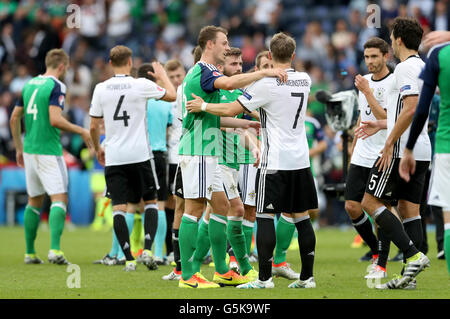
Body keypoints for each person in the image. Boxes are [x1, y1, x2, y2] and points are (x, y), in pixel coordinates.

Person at [187, 32, 318, 289]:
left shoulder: (266, 85)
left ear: (269, 56)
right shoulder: (305, 79)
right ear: (293, 56)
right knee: (301, 217)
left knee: (265, 215)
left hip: (275, 160)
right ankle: (307, 277)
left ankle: (264, 279)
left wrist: (203, 107)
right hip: (301, 159)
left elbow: (229, 109)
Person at [177, 25, 287, 289]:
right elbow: (227, 83)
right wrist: (265, 72)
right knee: (193, 209)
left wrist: (245, 125)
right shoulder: (204, 71)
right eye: (224, 43)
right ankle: (187, 275)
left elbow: (219, 115)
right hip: (198, 149)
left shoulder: (208, 72)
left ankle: (222, 270)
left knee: (222, 206)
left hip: (209, 150)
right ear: (210, 45)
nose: (227, 47)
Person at [356, 18, 431, 289]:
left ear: (398, 39)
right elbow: (408, 110)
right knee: (409, 210)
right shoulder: (423, 66)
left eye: (390, 35)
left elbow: (410, 108)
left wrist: (388, 143)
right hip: (421, 148)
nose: (390, 38)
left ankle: (414, 254)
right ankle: (409, 278)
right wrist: (380, 123)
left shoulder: (405, 68)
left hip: (401, 149)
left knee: (369, 202)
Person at [89, 45, 176, 272]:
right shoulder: (141, 85)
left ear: (110, 63)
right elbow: (173, 95)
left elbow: (93, 125)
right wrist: (162, 76)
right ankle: (148, 249)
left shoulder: (101, 88)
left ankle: (127, 258)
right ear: (130, 62)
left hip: (115, 156)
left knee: (119, 207)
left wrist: (99, 147)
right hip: (141, 155)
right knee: (151, 202)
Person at [9, 48, 93, 265]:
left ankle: (29, 252)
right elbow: (55, 119)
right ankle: (55, 250)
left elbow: (14, 118)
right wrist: (81, 131)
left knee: (34, 201)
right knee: (59, 198)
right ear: (62, 66)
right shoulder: (57, 86)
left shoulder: (28, 84)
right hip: (48, 149)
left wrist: (18, 147)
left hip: (29, 149)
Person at [189, 47, 260, 281]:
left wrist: (254, 144)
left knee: (212, 213)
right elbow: (215, 120)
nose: (238, 68)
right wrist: (238, 126)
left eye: (240, 64)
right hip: (215, 159)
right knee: (234, 209)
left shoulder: (237, 92)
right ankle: (241, 267)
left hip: (230, 161)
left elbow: (242, 127)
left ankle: (198, 267)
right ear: (221, 67)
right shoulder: (219, 91)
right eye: (233, 65)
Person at [344, 37, 396, 279]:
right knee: (351, 206)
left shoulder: (393, 82)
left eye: (374, 56)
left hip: (382, 153)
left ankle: (382, 264)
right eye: (367, 57)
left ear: (386, 56)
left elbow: (386, 118)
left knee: (378, 209)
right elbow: (361, 116)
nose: (370, 61)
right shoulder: (363, 83)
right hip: (362, 153)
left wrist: (367, 91)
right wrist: (353, 146)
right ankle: (375, 251)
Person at [399, 41, 450, 276]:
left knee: (448, 219)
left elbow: (420, 108)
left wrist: (407, 148)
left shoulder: (439, 54)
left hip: (445, 146)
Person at [138, 63, 173, 265]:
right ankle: (157, 253)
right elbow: (169, 130)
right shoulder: (164, 102)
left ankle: (120, 253)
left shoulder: (136, 99)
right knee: (158, 204)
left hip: (139, 154)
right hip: (158, 154)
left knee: (131, 206)